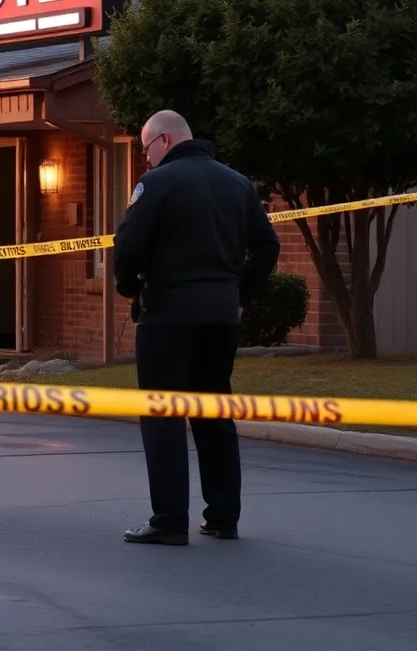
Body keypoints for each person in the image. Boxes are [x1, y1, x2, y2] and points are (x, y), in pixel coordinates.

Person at [113, 110, 280, 545]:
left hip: (168, 315)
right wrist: (241, 295)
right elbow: (267, 245)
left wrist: (129, 288)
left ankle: (169, 520)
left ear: (165, 141)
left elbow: (127, 245)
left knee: (163, 415)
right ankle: (223, 516)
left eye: (146, 149)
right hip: (221, 316)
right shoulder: (237, 183)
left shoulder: (158, 184)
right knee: (214, 413)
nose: (146, 159)